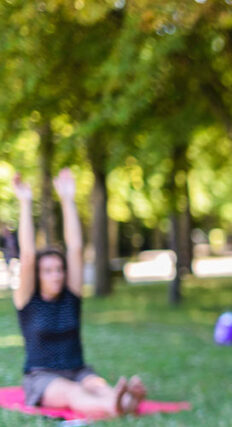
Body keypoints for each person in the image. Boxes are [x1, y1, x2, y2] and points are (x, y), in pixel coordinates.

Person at [12, 168, 148, 417]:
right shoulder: (27, 300)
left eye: (59, 270)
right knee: (74, 393)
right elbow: (29, 256)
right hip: (42, 376)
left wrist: (67, 199)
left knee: (98, 387)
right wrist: (24, 201)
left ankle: (124, 402)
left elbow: (75, 249)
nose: (56, 275)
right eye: (48, 271)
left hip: (79, 370)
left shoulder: (70, 297)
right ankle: (118, 406)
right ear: (37, 276)